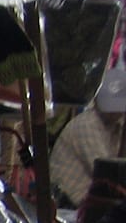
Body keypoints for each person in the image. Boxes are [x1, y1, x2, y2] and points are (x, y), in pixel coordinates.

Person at [49, 54, 126, 211]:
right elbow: (110, 175)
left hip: (91, 205)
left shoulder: (116, 126)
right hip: (67, 204)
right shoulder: (88, 124)